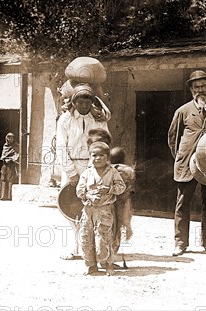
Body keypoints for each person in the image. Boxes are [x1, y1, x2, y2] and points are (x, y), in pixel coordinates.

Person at [168, 70, 206, 256]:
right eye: (196, 87)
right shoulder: (183, 111)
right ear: (191, 90)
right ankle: (180, 243)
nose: (200, 90)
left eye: (203, 86)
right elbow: (173, 138)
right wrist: (182, 157)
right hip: (186, 164)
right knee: (182, 204)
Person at [56, 83, 110, 260]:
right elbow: (61, 147)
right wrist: (71, 172)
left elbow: (105, 144)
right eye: (80, 100)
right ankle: (75, 247)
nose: (84, 104)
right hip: (71, 165)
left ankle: (93, 249)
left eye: (87, 100)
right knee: (71, 206)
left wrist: (98, 168)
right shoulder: (65, 119)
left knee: (95, 205)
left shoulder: (99, 119)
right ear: (74, 101)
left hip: (93, 166)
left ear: (92, 101)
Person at [76, 142, 126, 275]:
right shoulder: (86, 173)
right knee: (86, 237)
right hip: (88, 211)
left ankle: (108, 264)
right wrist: (88, 196)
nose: (97, 158)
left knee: (104, 237)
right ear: (90, 157)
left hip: (105, 211)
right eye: (94, 155)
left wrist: (109, 190)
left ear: (107, 157)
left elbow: (121, 187)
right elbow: (79, 190)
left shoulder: (112, 172)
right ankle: (91, 265)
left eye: (101, 155)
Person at [109, 146, 135, 265]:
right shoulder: (128, 170)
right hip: (123, 202)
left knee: (110, 229)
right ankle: (111, 257)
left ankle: (105, 257)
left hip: (109, 202)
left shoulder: (107, 169)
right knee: (119, 229)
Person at [0, 132, 19, 200]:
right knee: (3, 179)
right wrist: (5, 159)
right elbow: (2, 156)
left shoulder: (16, 146)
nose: (10, 139)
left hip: (11, 166)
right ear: (6, 138)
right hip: (5, 165)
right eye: (8, 138)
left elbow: (17, 156)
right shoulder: (5, 146)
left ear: (13, 138)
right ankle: (3, 196)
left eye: (11, 138)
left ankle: (9, 197)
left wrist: (11, 159)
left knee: (10, 179)